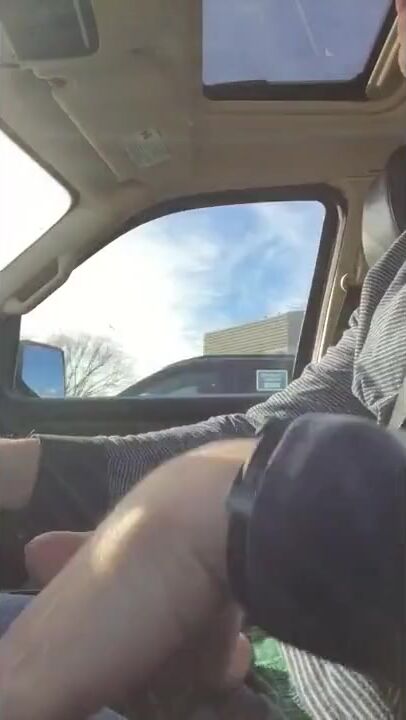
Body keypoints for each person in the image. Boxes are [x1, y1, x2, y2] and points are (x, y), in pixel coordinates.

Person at [1, 2, 406, 716]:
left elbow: (237, 477)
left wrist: (209, 511)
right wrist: (28, 467)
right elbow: (258, 434)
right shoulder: (392, 281)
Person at [0, 414, 403, 720]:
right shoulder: (374, 324)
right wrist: (32, 465)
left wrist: (197, 504)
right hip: (272, 642)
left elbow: (236, 469)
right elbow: (255, 430)